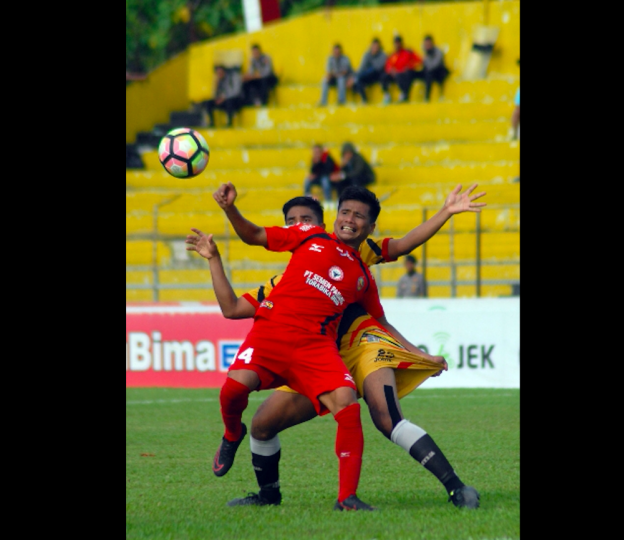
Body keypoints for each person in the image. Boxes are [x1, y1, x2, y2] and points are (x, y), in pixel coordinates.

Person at [184, 184, 487, 510]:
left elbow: (400, 252)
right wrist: (216, 251)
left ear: (319, 223)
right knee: (261, 423)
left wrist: (419, 353)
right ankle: (268, 494)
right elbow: (231, 307)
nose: (296, 224)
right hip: (312, 351)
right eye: (290, 220)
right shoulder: (282, 281)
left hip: (358, 348)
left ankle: (453, 487)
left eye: (304, 219)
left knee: (386, 418)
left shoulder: (359, 255)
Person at [208, 183, 386, 511]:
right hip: (272, 334)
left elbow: (380, 323)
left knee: (348, 406)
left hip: (315, 348)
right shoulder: (310, 236)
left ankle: (347, 498)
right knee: (232, 391)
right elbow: (254, 235)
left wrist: (418, 353)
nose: (349, 219)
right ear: (334, 217)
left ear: (370, 227)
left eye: (359, 216)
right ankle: (232, 434)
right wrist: (230, 209)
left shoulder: (364, 276)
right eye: (345, 212)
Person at [381, 36, 422, 104]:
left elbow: (419, 60)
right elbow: (388, 66)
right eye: (395, 43)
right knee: (383, 76)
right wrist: (391, 70)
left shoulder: (408, 52)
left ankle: (404, 94)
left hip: (405, 74)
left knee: (403, 75)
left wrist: (409, 66)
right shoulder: (392, 55)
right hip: (396, 74)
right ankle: (386, 95)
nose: (397, 45)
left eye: (398, 43)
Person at [351, 38, 387, 104]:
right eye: (373, 47)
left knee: (373, 71)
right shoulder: (367, 54)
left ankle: (386, 95)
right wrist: (354, 77)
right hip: (369, 75)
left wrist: (372, 60)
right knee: (358, 80)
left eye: (376, 47)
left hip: (378, 75)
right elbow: (362, 68)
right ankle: (364, 99)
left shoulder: (383, 54)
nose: (374, 48)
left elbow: (378, 67)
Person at [415, 35, 450, 101]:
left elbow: (433, 65)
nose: (427, 46)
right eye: (426, 44)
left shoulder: (438, 52)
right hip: (429, 72)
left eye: (429, 44)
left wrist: (425, 59)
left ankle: (427, 97)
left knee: (429, 74)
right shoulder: (425, 52)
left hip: (438, 73)